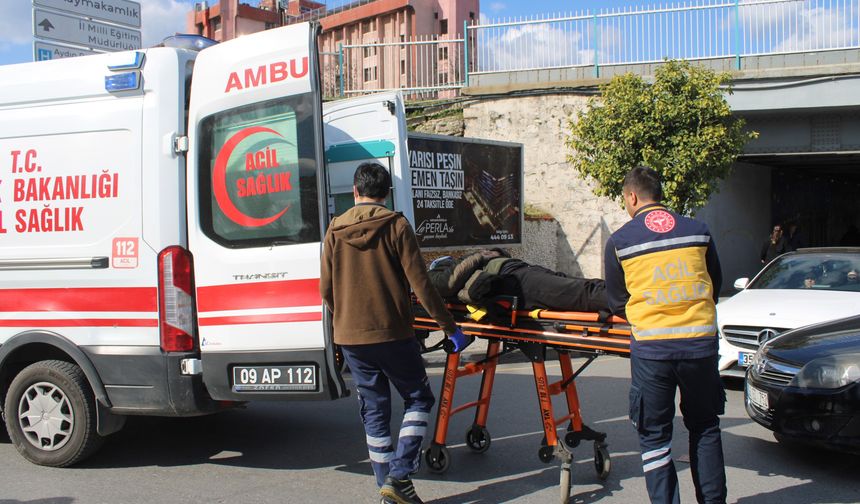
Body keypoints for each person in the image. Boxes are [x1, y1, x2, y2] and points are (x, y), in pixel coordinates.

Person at [319, 162, 469, 504]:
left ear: (355, 192)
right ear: (385, 193)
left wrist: (343, 322)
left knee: (375, 410)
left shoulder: (333, 230)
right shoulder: (397, 225)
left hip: (351, 337)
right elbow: (422, 284)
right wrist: (450, 327)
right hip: (393, 333)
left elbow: (326, 290)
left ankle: (387, 491)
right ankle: (400, 475)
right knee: (418, 398)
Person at [604, 166, 727, 504]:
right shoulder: (698, 231)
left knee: (655, 437)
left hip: (653, 351)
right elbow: (714, 285)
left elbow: (616, 303)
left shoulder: (620, 241)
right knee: (704, 426)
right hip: (700, 346)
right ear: (658, 194)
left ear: (631, 196)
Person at [427, 249, 608, 313]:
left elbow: (501, 255)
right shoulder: (432, 275)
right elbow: (447, 284)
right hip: (512, 282)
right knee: (578, 292)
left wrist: (493, 253)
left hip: (518, 270)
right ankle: (626, 299)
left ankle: (624, 290)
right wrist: (479, 255)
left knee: (579, 285)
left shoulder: (464, 262)